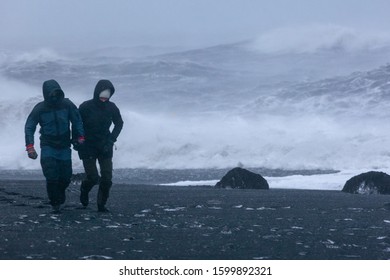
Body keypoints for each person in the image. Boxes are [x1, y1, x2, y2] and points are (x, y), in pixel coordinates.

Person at [25, 79, 85, 213]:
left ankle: (59, 195)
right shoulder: (40, 108)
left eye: (56, 94)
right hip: (48, 145)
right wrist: (30, 147)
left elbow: (77, 120)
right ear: (46, 94)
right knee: (51, 176)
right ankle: (55, 204)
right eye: (51, 94)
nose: (54, 97)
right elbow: (29, 127)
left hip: (64, 145)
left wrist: (80, 137)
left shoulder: (67, 104)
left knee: (65, 177)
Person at [78, 79, 123, 212]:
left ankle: (101, 204)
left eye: (108, 95)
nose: (105, 98)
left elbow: (119, 123)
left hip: (105, 146)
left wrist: (111, 140)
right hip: (88, 146)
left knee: (107, 178)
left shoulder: (112, 107)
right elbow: (77, 124)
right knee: (92, 177)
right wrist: (77, 140)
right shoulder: (85, 106)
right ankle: (84, 189)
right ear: (97, 92)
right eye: (102, 95)